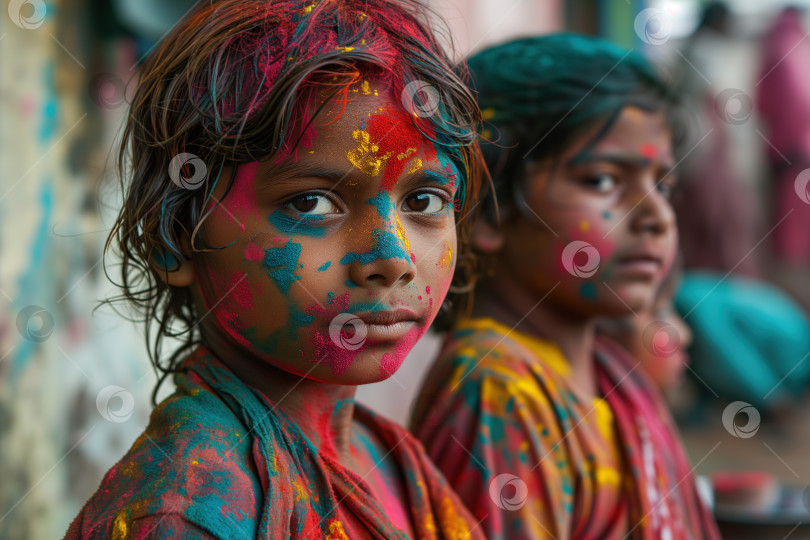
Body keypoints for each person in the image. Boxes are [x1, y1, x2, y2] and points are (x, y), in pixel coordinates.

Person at [65, 1, 488, 538]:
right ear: (174, 240)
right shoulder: (188, 515)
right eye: (311, 205)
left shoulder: (389, 459)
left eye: (425, 202)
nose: (394, 259)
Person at [410, 34, 720, 539]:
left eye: (662, 185)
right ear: (487, 206)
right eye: (602, 181)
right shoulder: (499, 397)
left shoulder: (607, 368)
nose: (658, 216)